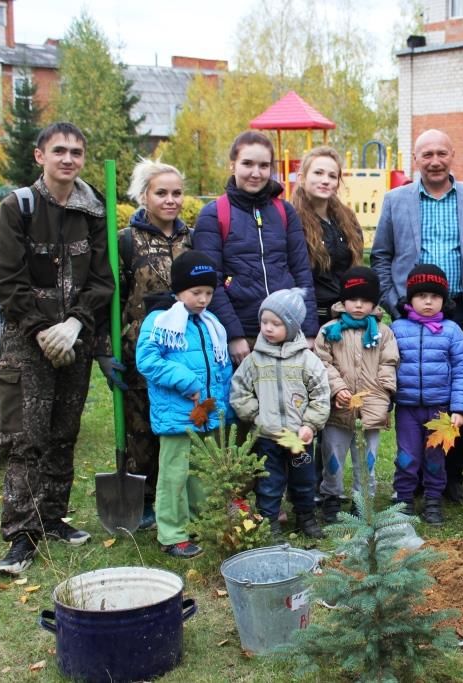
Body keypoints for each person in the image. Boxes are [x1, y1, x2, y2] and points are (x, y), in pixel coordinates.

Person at [0, 122, 115, 575]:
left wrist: (76, 323)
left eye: (77, 152)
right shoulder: (18, 207)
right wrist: (43, 329)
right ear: (40, 156)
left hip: (74, 341)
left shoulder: (93, 210)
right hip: (28, 344)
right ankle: (21, 534)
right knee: (26, 439)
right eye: (59, 150)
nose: (68, 159)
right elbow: (8, 279)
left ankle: (52, 517)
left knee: (64, 433)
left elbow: (103, 279)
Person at [371, 128, 463, 502]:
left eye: (441, 153)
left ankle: (451, 477)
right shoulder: (397, 200)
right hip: (410, 313)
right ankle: (415, 481)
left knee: (455, 392)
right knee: (417, 390)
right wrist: (396, 301)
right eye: (426, 154)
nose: (435, 161)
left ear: (453, 155)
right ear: (416, 159)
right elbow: (381, 255)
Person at [135, 251, 234, 558]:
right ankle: (172, 533)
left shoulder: (210, 323)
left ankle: (200, 523)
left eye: (208, 292)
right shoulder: (162, 321)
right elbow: (147, 360)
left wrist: (224, 405)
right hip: (177, 415)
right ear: (178, 290)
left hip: (206, 415)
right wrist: (187, 381)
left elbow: (221, 366)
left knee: (201, 473)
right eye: (196, 292)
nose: (203, 299)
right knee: (174, 475)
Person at [192, 131, 318, 367]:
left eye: (264, 165)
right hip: (243, 335)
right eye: (247, 164)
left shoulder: (285, 212)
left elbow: (302, 272)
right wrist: (234, 335)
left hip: (287, 333)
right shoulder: (214, 214)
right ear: (233, 165)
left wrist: (309, 328)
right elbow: (211, 281)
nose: (256, 173)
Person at [119, 159, 192, 530]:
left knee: (176, 423)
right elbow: (113, 297)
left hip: (182, 351)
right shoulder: (127, 240)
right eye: (161, 192)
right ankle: (145, 497)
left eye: (176, 193)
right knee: (142, 426)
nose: (170, 200)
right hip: (139, 349)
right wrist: (107, 349)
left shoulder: (189, 238)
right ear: (144, 195)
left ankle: (178, 494)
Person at [230, 288, 331, 539]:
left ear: (292, 325)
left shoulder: (307, 361)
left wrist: (310, 424)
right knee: (269, 482)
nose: (268, 328)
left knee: (303, 480)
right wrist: (256, 416)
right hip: (267, 437)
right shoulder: (254, 360)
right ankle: (270, 521)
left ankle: (306, 516)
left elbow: (320, 394)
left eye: (276, 323)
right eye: (264, 322)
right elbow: (239, 390)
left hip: (300, 437)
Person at [315, 267, 398, 523]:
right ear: (343, 300)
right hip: (338, 407)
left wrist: (384, 395)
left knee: (367, 459)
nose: (359, 305)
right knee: (333, 456)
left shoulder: (382, 332)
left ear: (374, 303)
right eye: (353, 299)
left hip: (371, 407)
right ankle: (332, 497)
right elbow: (322, 363)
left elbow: (389, 363)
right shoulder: (329, 330)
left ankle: (363, 500)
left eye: (365, 300)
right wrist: (337, 388)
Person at [390, 265, 463, 525]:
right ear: (410, 298)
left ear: (444, 300)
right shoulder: (397, 329)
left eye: (435, 297)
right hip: (407, 407)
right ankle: (403, 499)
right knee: (407, 455)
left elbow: (461, 370)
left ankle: (433, 499)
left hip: (440, 409)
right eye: (421, 295)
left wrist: (459, 408)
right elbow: (387, 365)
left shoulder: (452, 330)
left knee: (435, 455)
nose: (428, 301)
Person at [291, 146, 364, 325]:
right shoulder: (291, 219)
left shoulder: (347, 218)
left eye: (332, 176)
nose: (325, 180)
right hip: (309, 318)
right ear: (302, 178)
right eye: (318, 173)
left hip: (346, 317)